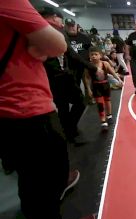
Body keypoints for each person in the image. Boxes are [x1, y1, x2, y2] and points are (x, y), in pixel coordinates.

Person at [0, 3, 94, 219]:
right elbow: (57, 45)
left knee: (32, 179)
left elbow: (48, 49)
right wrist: (45, 40)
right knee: (43, 180)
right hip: (25, 107)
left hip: (13, 106)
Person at [42, 9, 99, 144]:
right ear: (55, 18)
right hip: (52, 76)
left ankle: (69, 128)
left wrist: (91, 66)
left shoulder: (62, 34)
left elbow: (71, 53)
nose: (63, 25)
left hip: (65, 74)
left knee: (80, 101)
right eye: (63, 23)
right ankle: (69, 132)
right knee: (62, 106)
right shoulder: (41, 31)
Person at [84, 46, 123, 129]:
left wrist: (119, 79)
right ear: (89, 56)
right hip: (96, 86)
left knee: (107, 101)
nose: (94, 56)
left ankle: (109, 115)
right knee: (100, 103)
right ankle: (103, 120)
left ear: (100, 55)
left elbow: (113, 72)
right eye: (92, 55)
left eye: (96, 54)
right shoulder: (89, 66)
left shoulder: (105, 64)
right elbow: (87, 78)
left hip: (105, 85)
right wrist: (89, 89)